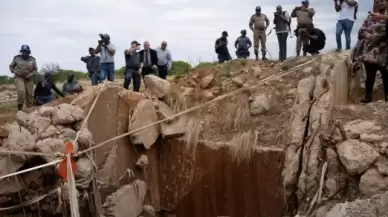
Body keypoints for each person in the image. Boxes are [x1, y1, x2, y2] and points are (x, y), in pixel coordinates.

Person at [351, 0, 388, 103]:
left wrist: (375, 35)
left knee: (386, 76)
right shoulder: (370, 17)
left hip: (384, 52)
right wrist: (369, 36)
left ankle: (386, 101)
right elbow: (361, 31)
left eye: (382, 1)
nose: (379, 3)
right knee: (370, 76)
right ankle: (368, 98)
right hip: (370, 52)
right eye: (377, 2)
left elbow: (385, 33)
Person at [9, 45, 37, 111]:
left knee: (30, 95)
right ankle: (19, 110)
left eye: (26, 52)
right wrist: (15, 71)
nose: (25, 53)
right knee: (21, 92)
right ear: (21, 52)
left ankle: (29, 110)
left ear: (29, 52)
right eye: (23, 51)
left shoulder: (32, 59)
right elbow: (11, 67)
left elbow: (35, 69)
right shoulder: (17, 58)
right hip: (19, 77)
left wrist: (31, 74)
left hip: (29, 78)